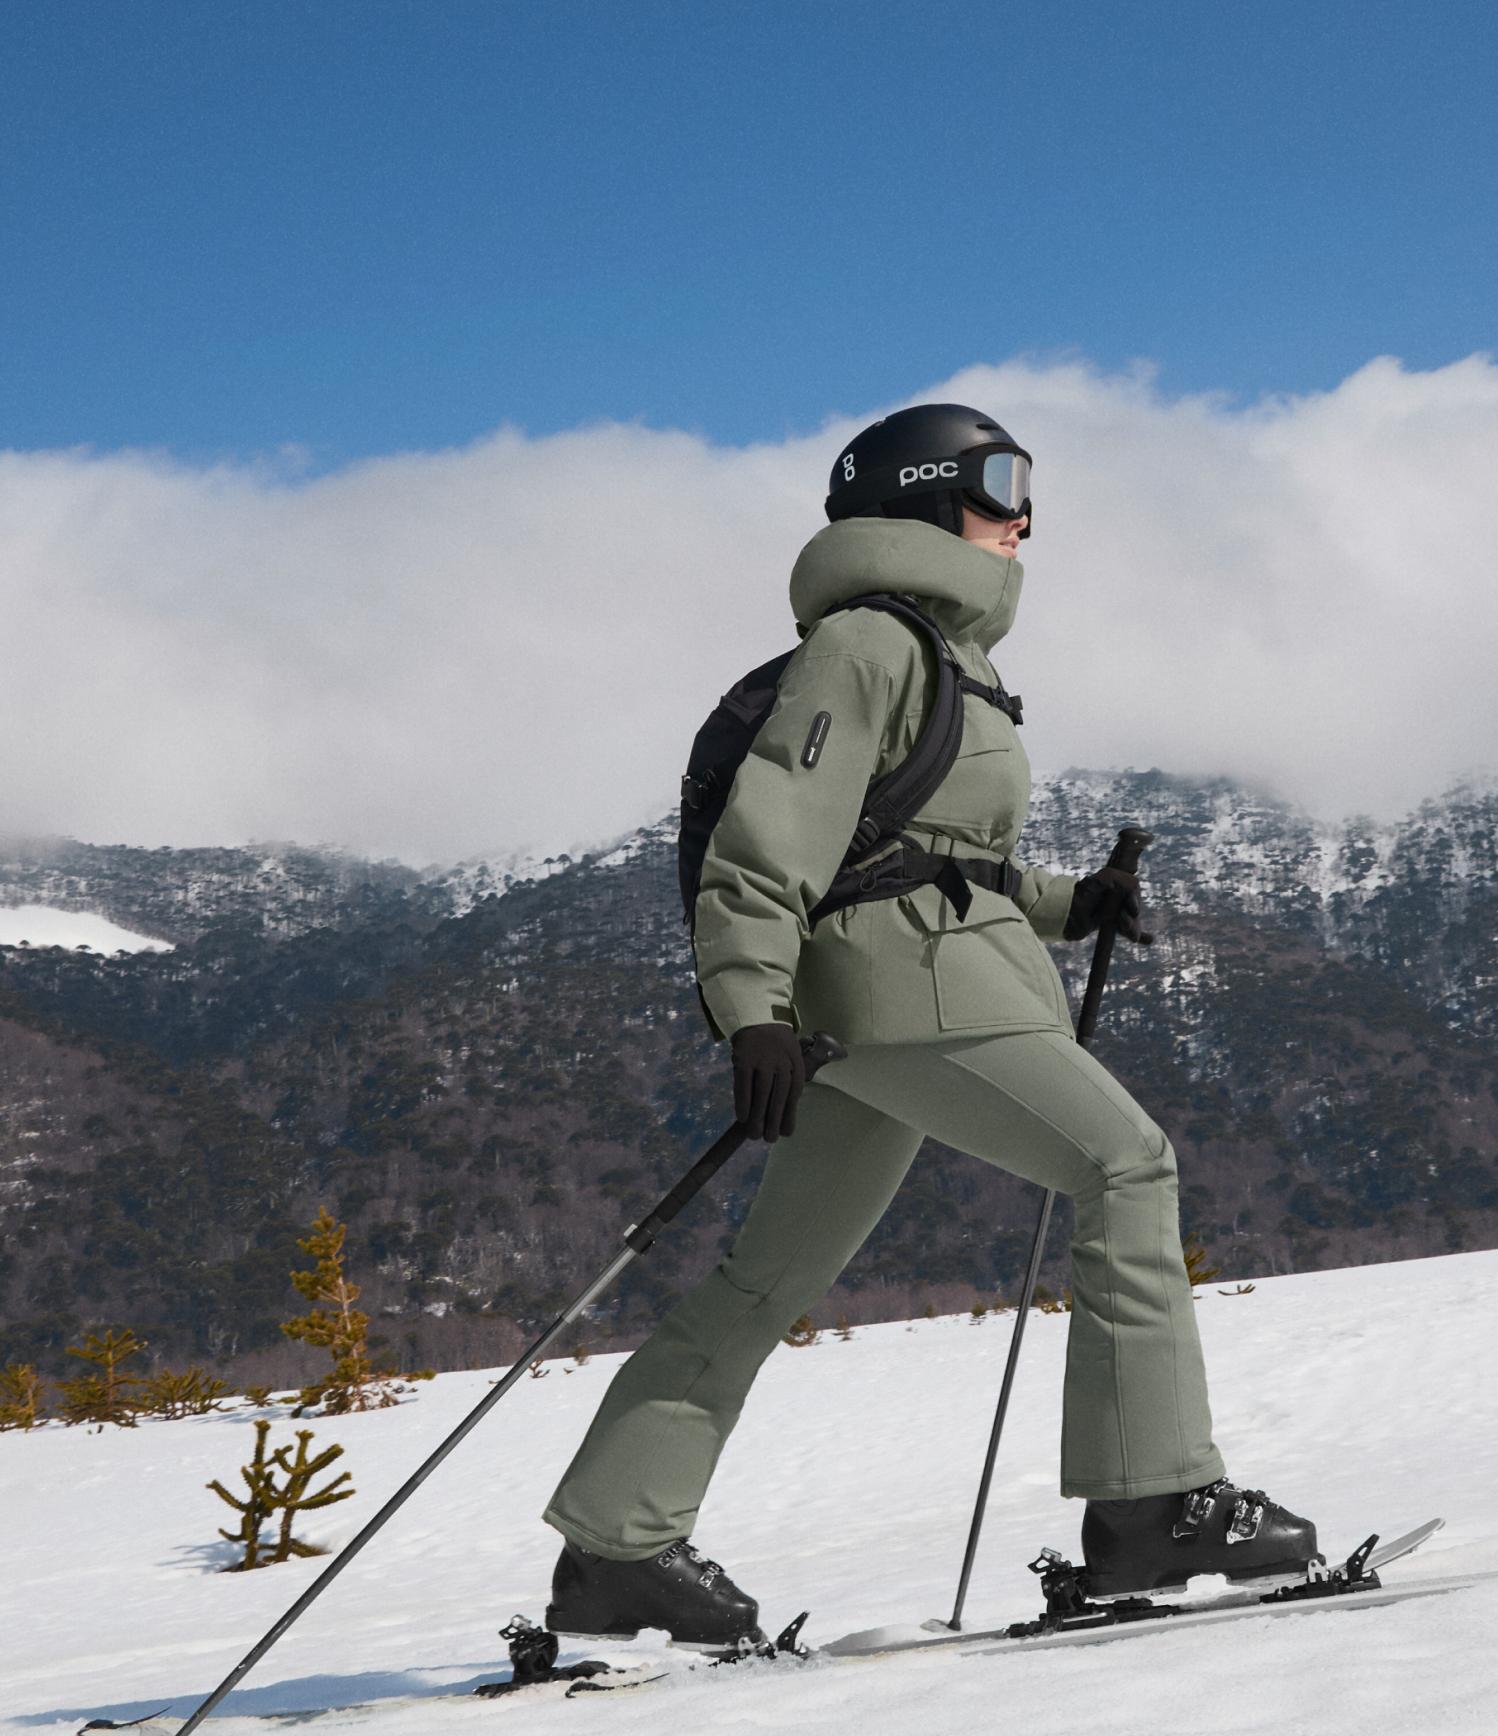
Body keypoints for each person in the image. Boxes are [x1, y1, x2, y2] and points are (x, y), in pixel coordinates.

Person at [537, 403, 1316, 1643]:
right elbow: (772, 837)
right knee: (1127, 1164)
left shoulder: (950, 662)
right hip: (906, 992)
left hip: (910, 981)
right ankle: (1153, 1501)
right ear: (922, 500)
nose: (1023, 515)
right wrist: (750, 1009)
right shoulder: (865, 642)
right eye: (1000, 483)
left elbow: (930, 854)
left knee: (767, 1276)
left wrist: (1075, 904)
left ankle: (613, 1548)